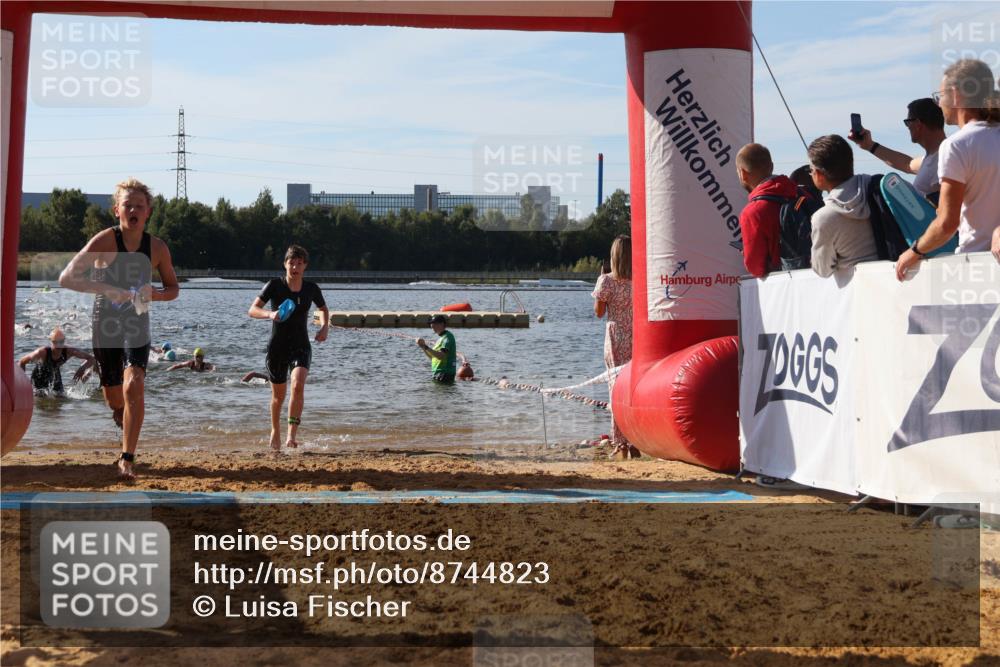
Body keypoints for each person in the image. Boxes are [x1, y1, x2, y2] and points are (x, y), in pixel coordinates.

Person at [58, 177, 179, 480]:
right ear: (117, 210)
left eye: (139, 206)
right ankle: (122, 417)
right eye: (128, 205)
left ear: (148, 212)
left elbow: (173, 289)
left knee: (133, 384)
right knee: (115, 399)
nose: (133, 210)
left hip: (137, 321)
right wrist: (107, 289)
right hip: (105, 323)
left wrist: (156, 294)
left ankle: (127, 458)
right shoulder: (105, 241)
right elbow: (66, 277)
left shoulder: (157, 248)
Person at [895, 58, 1000, 280]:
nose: (939, 103)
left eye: (940, 96)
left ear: (955, 95)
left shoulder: (956, 145)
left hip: (976, 267)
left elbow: (947, 224)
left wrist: (914, 251)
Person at [248, 245, 329, 451]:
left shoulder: (311, 288)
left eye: (299, 263)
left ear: (305, 266)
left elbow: (323, 309)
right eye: (291, 263)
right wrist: (270, 314)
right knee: (278, 397)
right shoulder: (274, 285)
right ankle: (275, 430)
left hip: (301, 346)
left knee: (297, 385)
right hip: (277, 347)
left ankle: (291, 436)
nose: (295, 267)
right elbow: (252, 310)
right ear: (285, 264)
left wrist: (324, 327)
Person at [806, 135, 880, 277]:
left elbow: (823, 270)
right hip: (904, 278)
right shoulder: (879, 187)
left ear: (819, 174)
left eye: (811, 170)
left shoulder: (823, 218)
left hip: (859, 287)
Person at [591, 235, 637, 460]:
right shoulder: (640, 279)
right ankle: (636, 438)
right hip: (637, 335)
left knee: (616, 390)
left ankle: (620, 443)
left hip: (616, 336)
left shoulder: (607, 281)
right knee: (635, 389)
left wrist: (600, 281)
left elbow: (599, 313)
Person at [848, 98, 947, 201]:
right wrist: (869, 145)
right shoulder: (935, 157)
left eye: (907, 122)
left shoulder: (943, 158)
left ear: (918, 124)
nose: (907, 127)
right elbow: (907, 164)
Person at [736, 143, 803, 277]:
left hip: (785, 283)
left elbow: (756, 267)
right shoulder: (801, 194)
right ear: (771, 166)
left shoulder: (753, 212)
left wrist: (747, 252)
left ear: (743, 173)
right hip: (820, 278)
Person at [18, 328, 95, 396]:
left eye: (61, 342)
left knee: (61, 399)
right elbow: (22, 361)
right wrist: (21, 384)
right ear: (51, 342)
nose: (58, 345)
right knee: (40, 399)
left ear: (64, 341)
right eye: (55, 343)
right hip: (39, 376)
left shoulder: (69, 351)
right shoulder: (41, 352)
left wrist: (81, 370)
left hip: (55, 374)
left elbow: (91, 358)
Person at [416, 314, 457, 384]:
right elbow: (432, 357)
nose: (432, 325)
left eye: (434, 323)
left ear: (442, 324)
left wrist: (426, 347)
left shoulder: (447, 337)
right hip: (438, 373)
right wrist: (422, 346)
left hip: (444, 373)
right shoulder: (440, 339)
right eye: (431, 323)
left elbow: (441, 356)